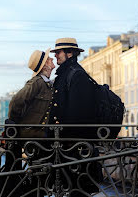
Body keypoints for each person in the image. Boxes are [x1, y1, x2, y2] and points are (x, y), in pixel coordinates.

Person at [0, 49, 55, 196]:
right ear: (45, 65)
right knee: (41, 172)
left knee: (42, 172)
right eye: (49, 59)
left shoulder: (47, 84)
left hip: (40, 136)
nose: (52, 60)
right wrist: (15, 125)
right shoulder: (36, 83)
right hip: (33, 135)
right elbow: (16, 102)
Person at [49, 37, 103, 196]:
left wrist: (64, 137)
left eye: (59, 52)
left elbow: (78, 114)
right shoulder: (67, 74)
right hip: (68, 148)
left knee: (78, 190)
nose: (56, 55)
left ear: (70, 53)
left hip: (76, 150)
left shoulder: (77, 75)